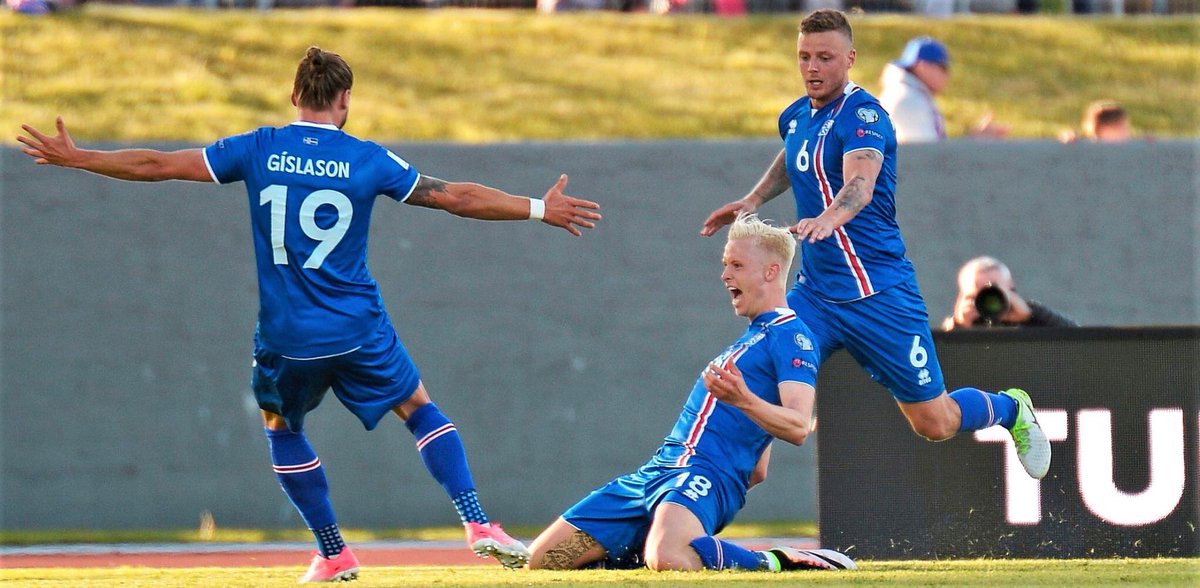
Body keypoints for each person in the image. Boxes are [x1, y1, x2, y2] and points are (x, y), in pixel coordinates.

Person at [17, 46, 602, 583]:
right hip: (358, 329)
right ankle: (477, 523)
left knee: (283, 428)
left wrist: (78, 157)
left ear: (295, 95)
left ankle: (333, 551)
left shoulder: (259, 147)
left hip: (287, 336)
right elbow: (456, 197)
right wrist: (535, 208)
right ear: (345, 101)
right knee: (418, 409)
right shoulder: (367, 159)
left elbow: (157, 165)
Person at [700, 10, 1051, 486]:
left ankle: (1010, 408)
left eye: (825, 57)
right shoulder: (798, 114)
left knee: (936, 422)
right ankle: (713, 486)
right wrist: (753, 198)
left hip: (879, 295)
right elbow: (794, 151)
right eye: (804, 57)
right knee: (753, 370)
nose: (812, 67)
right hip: (816, 297)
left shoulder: (865, 116)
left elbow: (860, 185)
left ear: (850, 59)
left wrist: (828, 217)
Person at [526, 213, 854, 573]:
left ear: (771, 272)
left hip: (702, 475)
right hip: (657, 473)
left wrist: (741, 409)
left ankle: (780, 560)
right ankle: (651, 553)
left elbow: (795, 426)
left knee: (667, 556)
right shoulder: (749, 340)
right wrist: (746, 436)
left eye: (737, 265)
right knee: (544, 561)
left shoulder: (794, 337)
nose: (725, 275)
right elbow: (758, 467)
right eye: (725, 264)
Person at [877, 36, 1009, 143]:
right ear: (922, 66)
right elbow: (931, 157)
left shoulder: (909, 93)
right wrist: (974, 142)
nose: (947, 75)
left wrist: (974, 140)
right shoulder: (907, 98)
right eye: (943, 68)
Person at [942, 256, 1078, 330]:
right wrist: (958, 325)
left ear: (1011, 289)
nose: (987, 301)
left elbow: (1080, 340)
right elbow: (932, 362)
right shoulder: (960, 326)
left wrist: (1032, 315)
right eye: (977, 295)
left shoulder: (1031, 322)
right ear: (963, 297)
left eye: (995, 292)